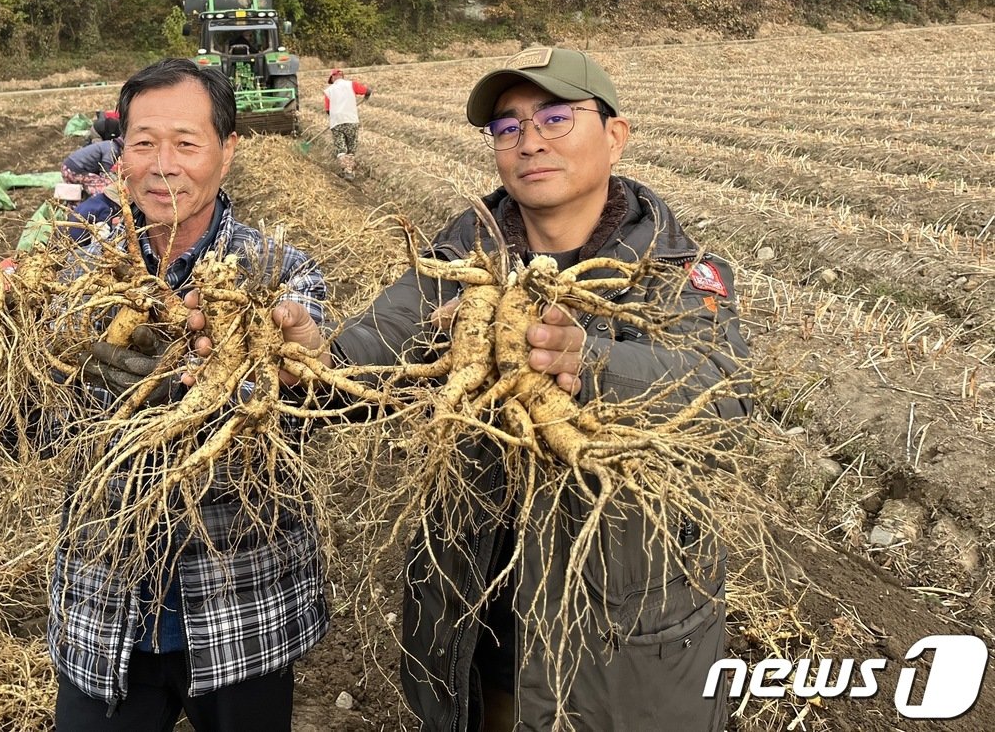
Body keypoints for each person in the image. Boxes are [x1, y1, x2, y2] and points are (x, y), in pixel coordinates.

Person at [282, 46, 751, 732]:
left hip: (624, 648)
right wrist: (312, 362)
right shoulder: (461, 262)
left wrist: (586, 362)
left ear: (615, 135)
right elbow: (366, 358)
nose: (529, 141)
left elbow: (724, 396)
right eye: (507, 128)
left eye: (556, 117)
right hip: (478, 626)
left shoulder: (677, 271)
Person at [47, 57, 331, 732]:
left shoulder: (280, 273)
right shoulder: (78, 274)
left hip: (241, 606)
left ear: (228, 153)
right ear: (121, 155)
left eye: (186, 143)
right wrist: (26, 359)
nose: (162, 164)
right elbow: (36, 424)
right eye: (143, 143)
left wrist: (287, 361)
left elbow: (307, 412)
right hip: (105, 600)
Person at [323, 69, 371, 180]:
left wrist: (335, 115)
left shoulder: (329, 91)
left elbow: (328, 110)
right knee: (351, 148)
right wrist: (366, 97)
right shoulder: (352, 85)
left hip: (337, 123)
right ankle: (349, 171)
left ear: (333, 78)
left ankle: (347, 171)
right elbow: (368, 91)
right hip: (351, 121)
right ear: (342, 76)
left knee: (341, 149)